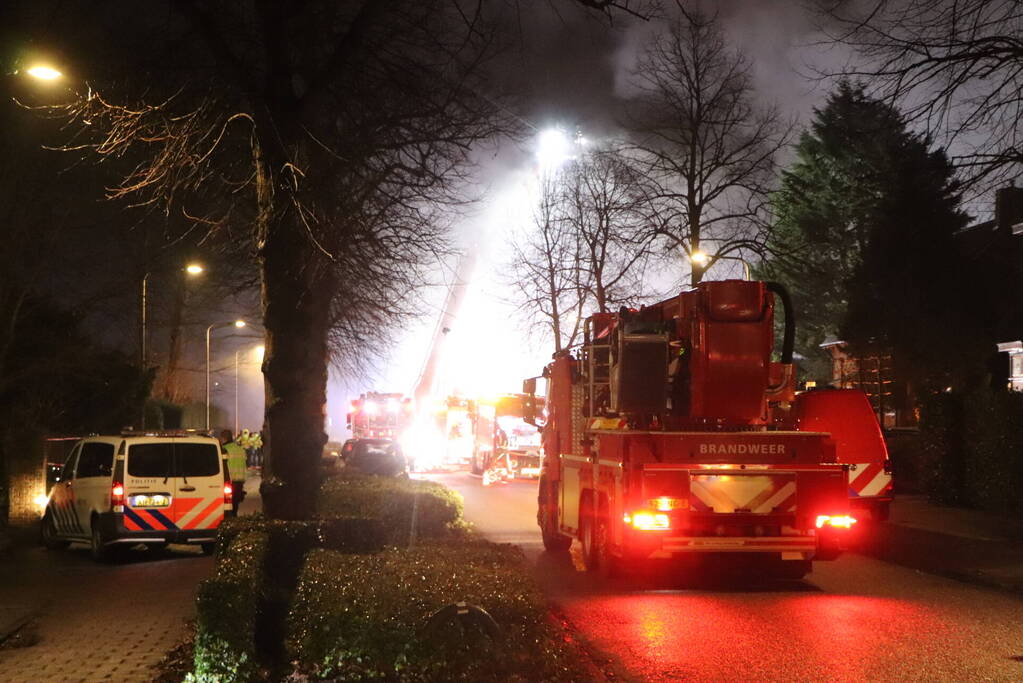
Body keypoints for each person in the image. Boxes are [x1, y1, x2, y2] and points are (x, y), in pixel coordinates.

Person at [219, 429, 247, 514]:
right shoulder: (240, 449)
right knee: (235, 505)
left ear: (224, 438)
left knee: (227, 506)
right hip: (240, 481)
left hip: (229, 480)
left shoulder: (224, 449)